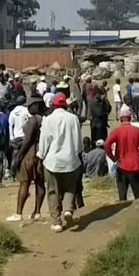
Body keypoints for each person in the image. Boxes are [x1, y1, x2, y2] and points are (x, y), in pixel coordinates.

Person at [37, 93, 84, 232]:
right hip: (70, 159)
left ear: (53, 105)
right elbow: (78, 141)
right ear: (65, 105)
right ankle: (68, 209)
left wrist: (41, 156)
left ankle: (57, 222)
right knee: (70, 188)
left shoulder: (48, 120)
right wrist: (77, 154)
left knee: (53, 191)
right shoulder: (73, 118)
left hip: (52, 161)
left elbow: (44, 141)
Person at [6, 96, 46, 223]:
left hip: (30, 153)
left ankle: (19, 213)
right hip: (41, 152)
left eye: (31, 105)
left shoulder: (34, 120)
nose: (28, 107)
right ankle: (37, 212)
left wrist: (18, 155)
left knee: (24, 183)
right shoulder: (45, 119)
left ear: (37, 106)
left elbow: (28, 140)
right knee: (40, 183)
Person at [105, 105, 139, 202]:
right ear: (130, 118)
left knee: (122, 198)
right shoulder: (137, 130)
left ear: (120, 119)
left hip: (122, 166)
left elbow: (107, 145)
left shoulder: (117, 131)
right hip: (135, 166)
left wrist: (114, 159)